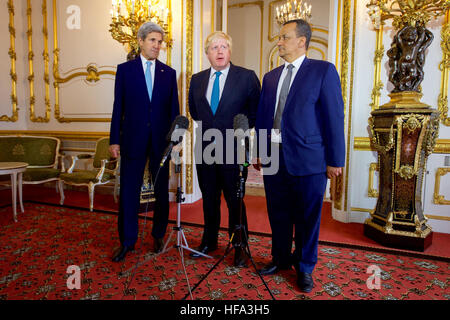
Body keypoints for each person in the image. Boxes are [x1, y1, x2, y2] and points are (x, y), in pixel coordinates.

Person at [254, 19, 345, 292]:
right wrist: (259, 149)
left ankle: (305, 267)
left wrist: (335, 160)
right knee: (278, 213)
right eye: (279, 38)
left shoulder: (323, 71)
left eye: (284, 37)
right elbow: (262, 118)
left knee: (307, 217)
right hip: (273, 158)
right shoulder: (270, 77)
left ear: (301, 41)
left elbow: (334, 118)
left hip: (310, 160)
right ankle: (280, 258)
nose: (279, 42)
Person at [188, 31, 261, 267]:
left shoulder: (247, 77)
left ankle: (239, 246)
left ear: (230, 51)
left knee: (235, 201)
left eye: (224, 47)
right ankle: (209, 241)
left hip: (234, 150)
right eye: (214, 47)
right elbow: (195, 112)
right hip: (205, 149)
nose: (219, 51)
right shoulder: (196, 79)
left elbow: (254, 113)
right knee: (209, 199)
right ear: (207, 53)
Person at [109, 22, 180, 262]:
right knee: (129, 192)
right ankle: (127, 241)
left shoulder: (169, 74)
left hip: (161, 142)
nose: (157, 45)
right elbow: (118, 108)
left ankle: (158, 234)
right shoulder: (125, 70)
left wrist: (175, 140)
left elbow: (174, 111)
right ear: (140, 41)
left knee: (161, 191)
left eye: (160, 42)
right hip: (132, 139)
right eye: (152, 40)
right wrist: (114, 140)